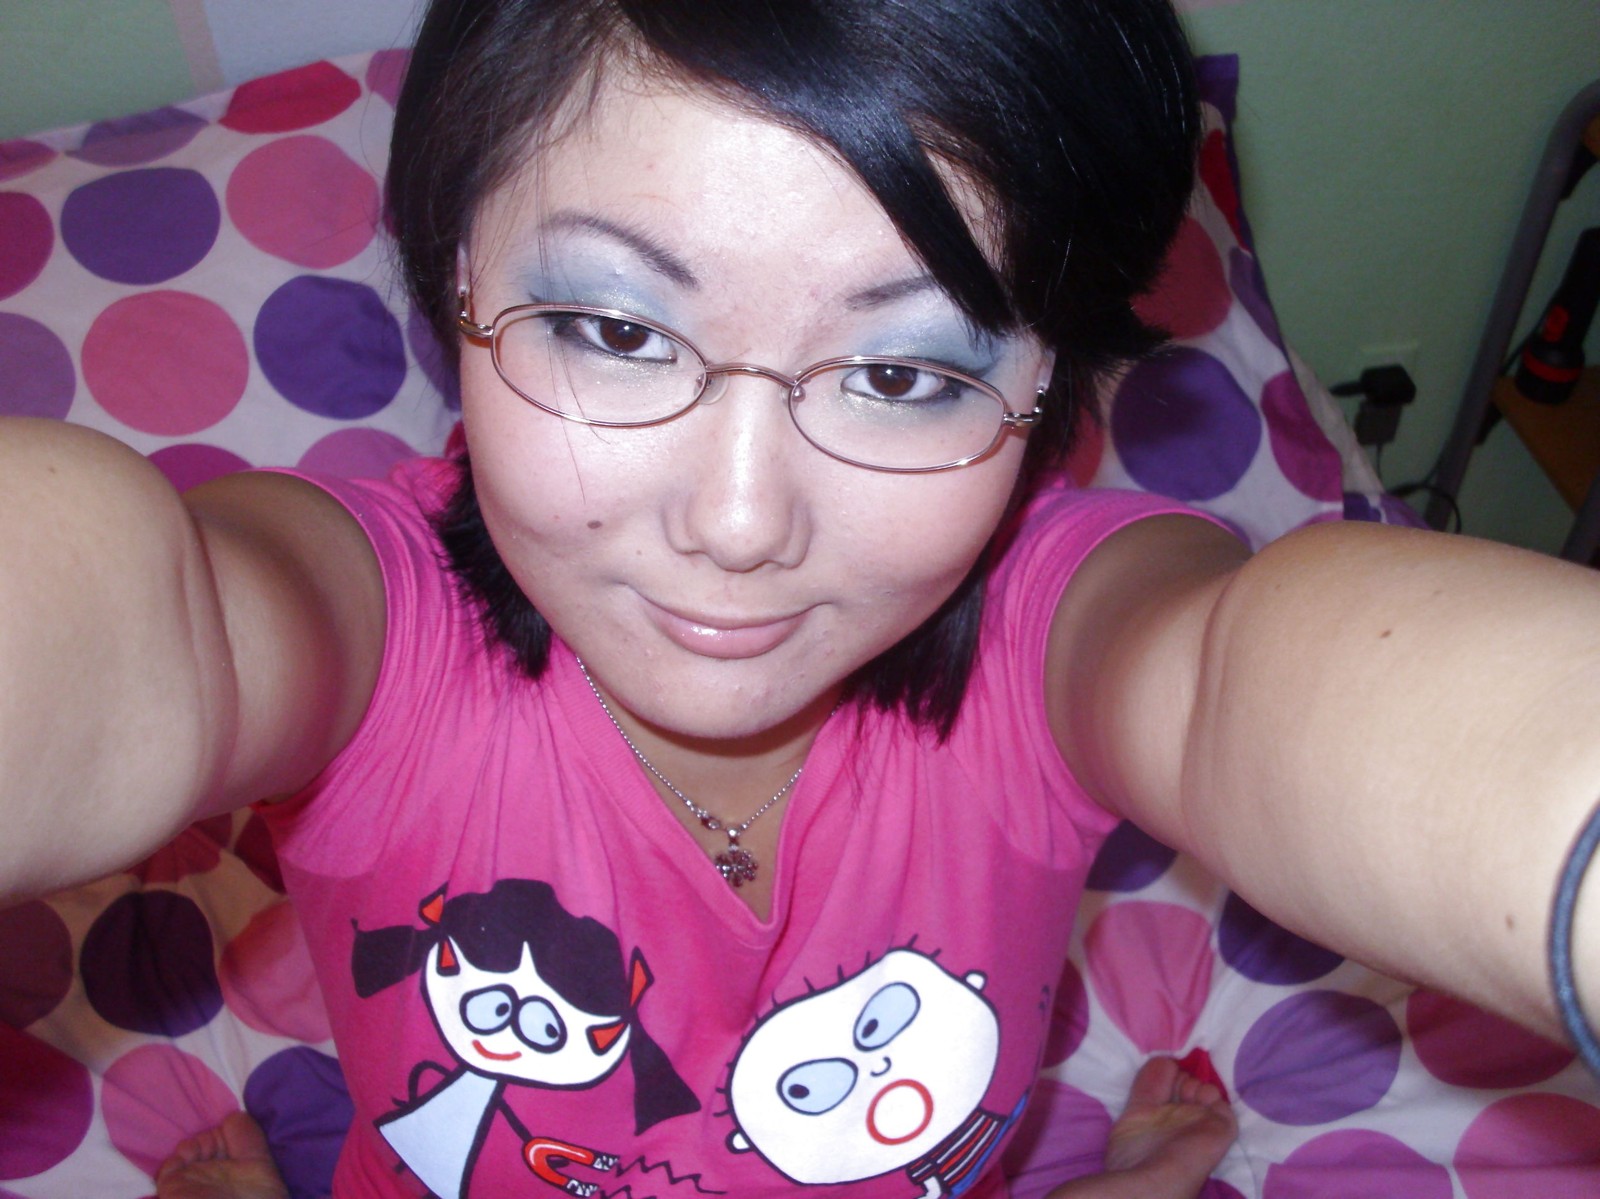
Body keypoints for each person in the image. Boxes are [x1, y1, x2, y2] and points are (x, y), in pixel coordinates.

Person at [4, 0, 1599, 1196]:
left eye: (903, 373)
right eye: (616, 332)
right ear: (456, 282)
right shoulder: (374, 630)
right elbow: (161, 623)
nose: (740, 521)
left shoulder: (1055, 638)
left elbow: (1251, 679)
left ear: (1049, 387)